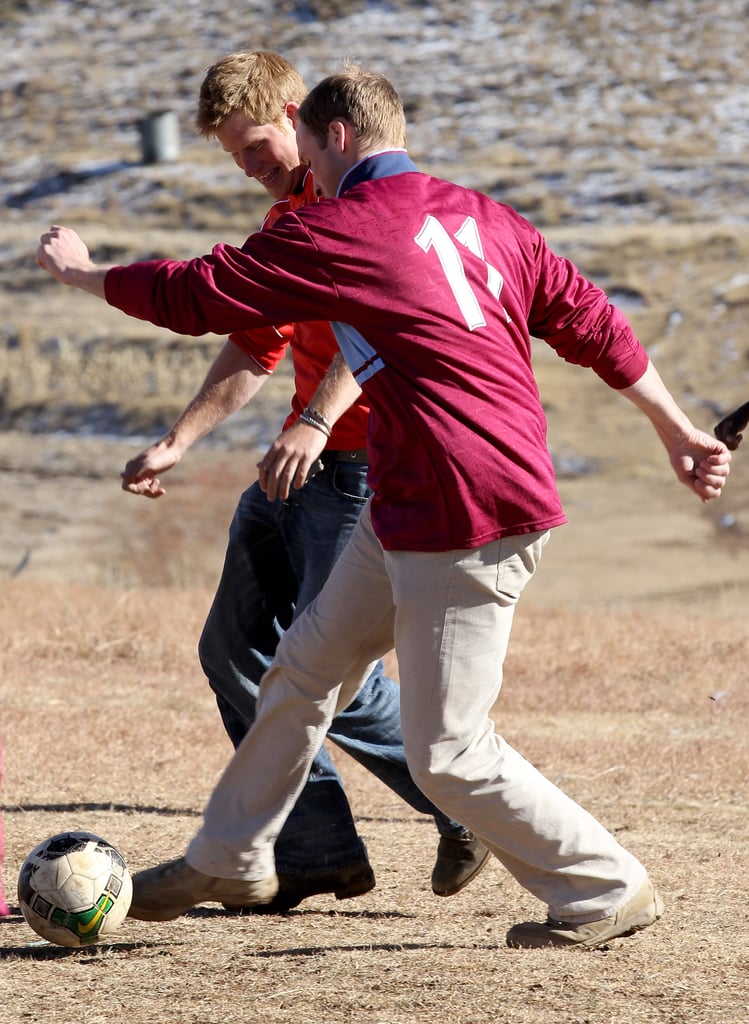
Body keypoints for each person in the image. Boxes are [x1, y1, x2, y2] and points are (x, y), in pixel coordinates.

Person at [36, 64, 731, 949]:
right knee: (301, 667)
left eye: (303, 162)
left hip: (462, 509)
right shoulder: (486, 217)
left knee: (448, 753)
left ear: (330, 136)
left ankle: (604, 889)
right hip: (413, 498)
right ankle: (233, 854)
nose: (300, 187)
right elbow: (592, 319)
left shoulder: (339, 226)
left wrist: (86, 273)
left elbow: (194, 296)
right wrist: (673, 429)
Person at [119, 51, 489, 912]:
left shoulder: (355, 203)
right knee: (234, 647)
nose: (248, 168)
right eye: (231, 157)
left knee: (330, 665)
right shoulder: (290, 215)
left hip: (362, 462)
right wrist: (178, 440)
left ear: (299, 115)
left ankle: (464, 803)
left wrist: (317, 421)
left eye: (255, 146)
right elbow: (257, 339)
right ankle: (319, 851)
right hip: (304, 459)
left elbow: (384, 327)